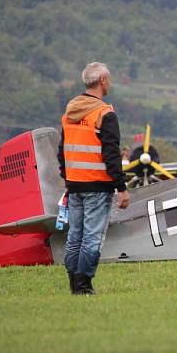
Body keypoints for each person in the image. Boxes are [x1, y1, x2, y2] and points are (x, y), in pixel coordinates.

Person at [58, 62, 130, 295]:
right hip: (98, 186)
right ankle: (84, 285)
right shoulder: (104, 113)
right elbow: (111, 154)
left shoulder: (69, 114)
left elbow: (62, 152)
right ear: (103, 81)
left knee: (74, 237)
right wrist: (122, 187)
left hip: (74, 185)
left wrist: (68, 180)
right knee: (93, 238)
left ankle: (74, 284)